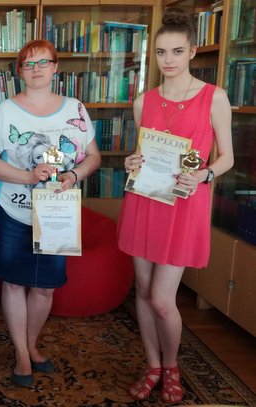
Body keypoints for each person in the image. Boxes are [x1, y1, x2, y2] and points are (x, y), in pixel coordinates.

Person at [118, 8, 233, 404]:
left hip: (184, 204)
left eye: (177, 51)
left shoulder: (214, 96)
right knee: (144, 291)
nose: (168, 60)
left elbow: (227, 158)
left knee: (164, 299)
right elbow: (142, 155)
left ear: (192, 52)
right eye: (162, 52)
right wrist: (131, 161)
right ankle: (152, 365)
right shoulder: (143, 101)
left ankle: (172, 367)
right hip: (144, 202)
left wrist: (204, 175)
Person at [0, 39, 101, 388]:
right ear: (19, 71)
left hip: (57, 215)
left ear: (55, 67)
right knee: (15, 283)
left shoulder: (75, 108)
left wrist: (74, 175)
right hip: (13, 212)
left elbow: (93, 157)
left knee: (45, 288)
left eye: (42, 62)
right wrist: (27, 176)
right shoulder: (6, 111)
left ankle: (32, 344)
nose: (35, 69)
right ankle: (21, 353)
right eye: (28, 64)